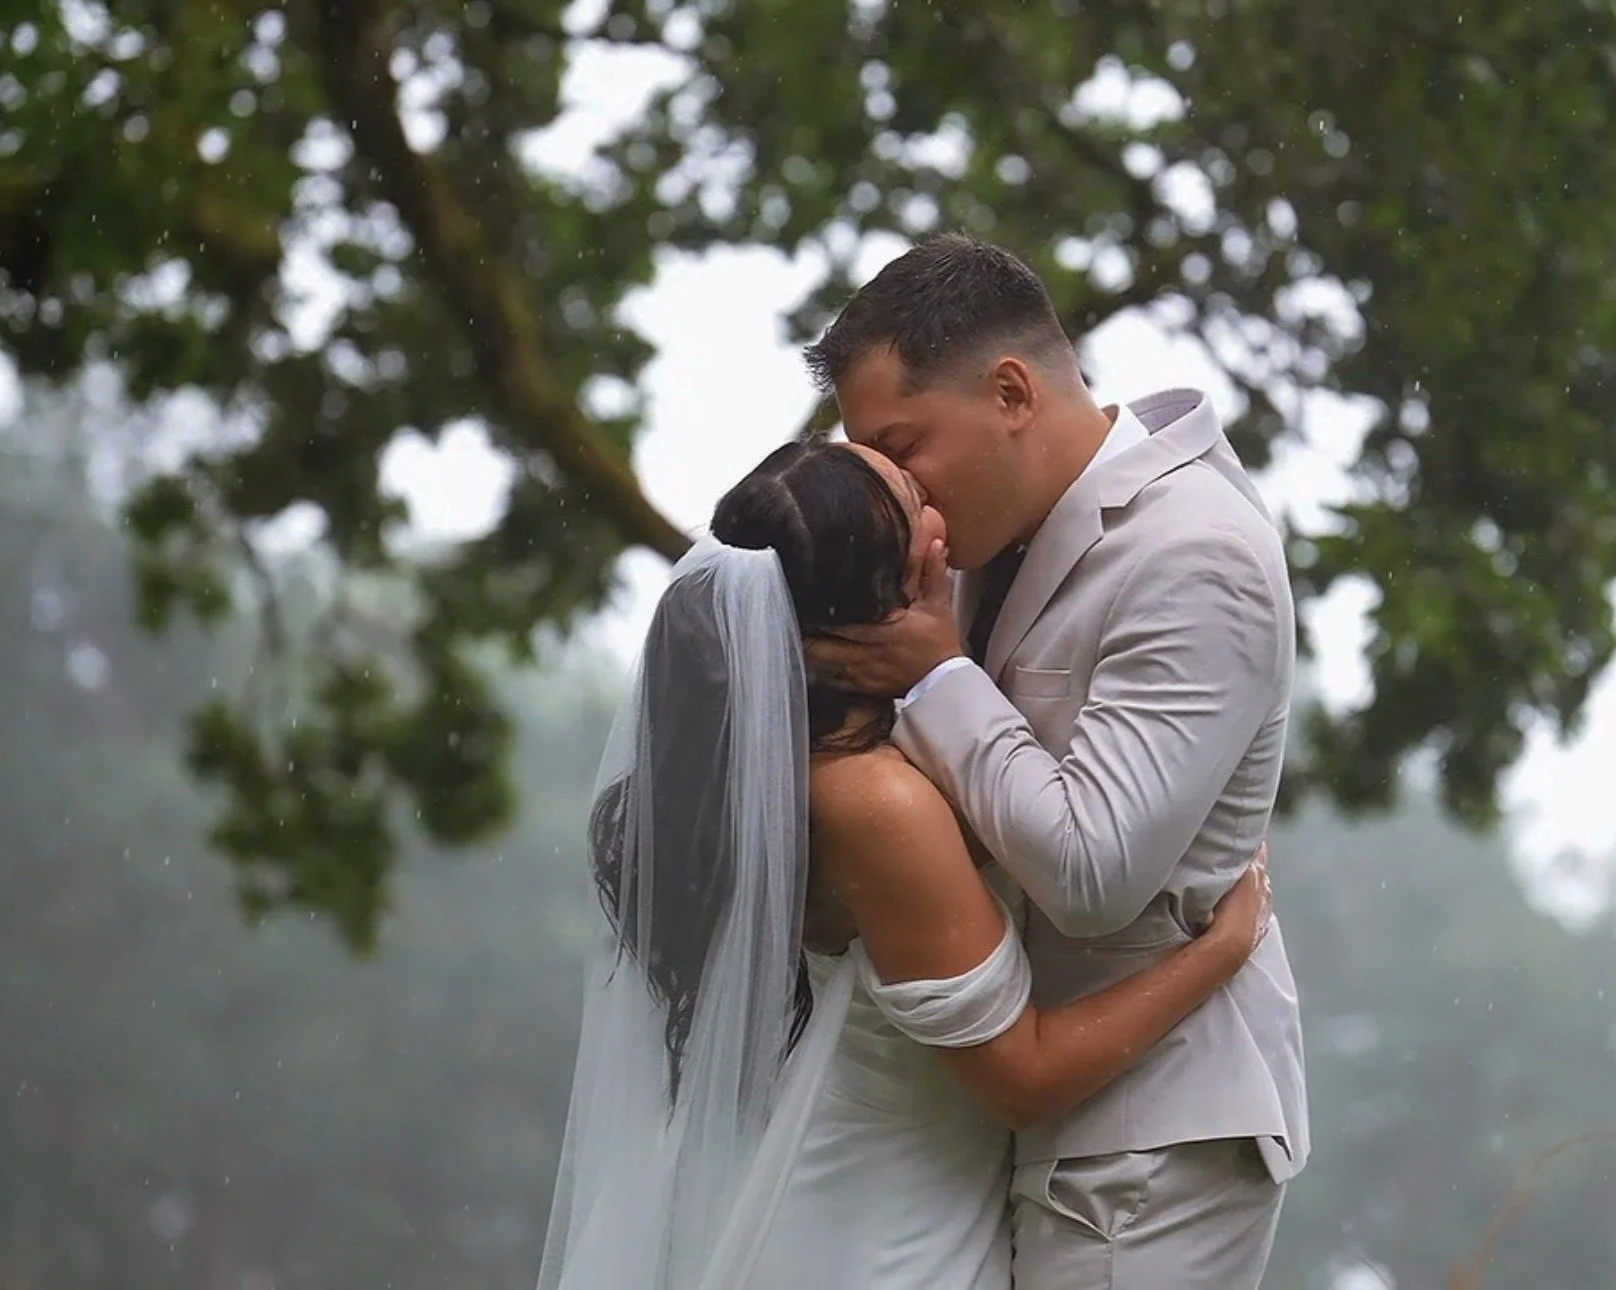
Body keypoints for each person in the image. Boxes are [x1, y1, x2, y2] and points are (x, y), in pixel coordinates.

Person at [535, 437, 1272, 1290]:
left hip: (834, 1194)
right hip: (873, 1240)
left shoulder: (788, 761)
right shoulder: (873, 801)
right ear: (876, 596)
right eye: (912, 504)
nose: (940, 514)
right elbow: (1021, 1077)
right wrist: (1217, 951)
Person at [804, 233, 1309, 1290]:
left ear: (1010, 393)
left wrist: (942, 677)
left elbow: (1092, 876)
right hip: (1009, 1115)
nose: (905, 496)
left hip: (1143, 1147)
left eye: (906, 447)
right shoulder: (993, 534)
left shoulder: (1196, 554)